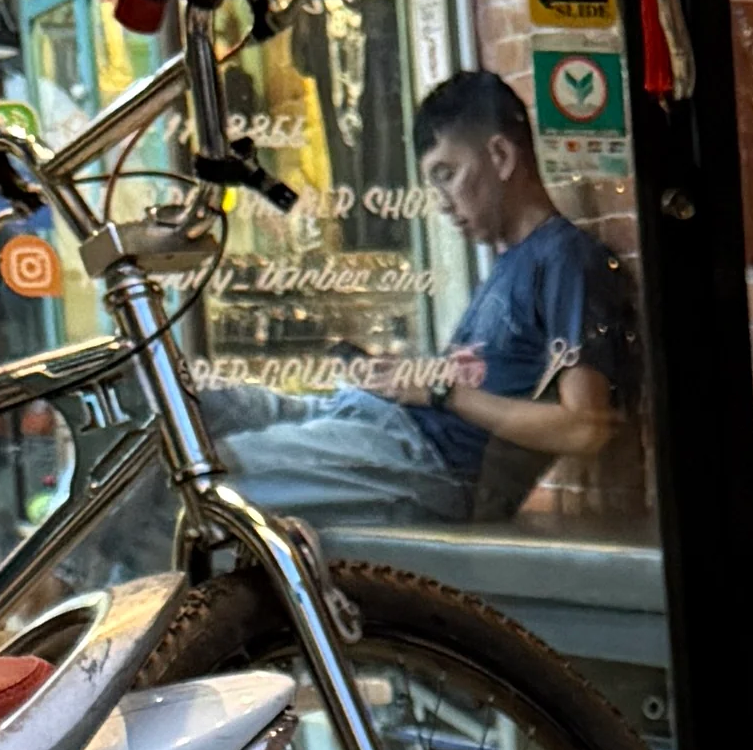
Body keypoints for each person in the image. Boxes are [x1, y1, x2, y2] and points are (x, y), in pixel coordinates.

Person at [199, 65, 635, 528]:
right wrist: (411, 378)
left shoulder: (566, 259)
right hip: (374, 421)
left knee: (193, 478)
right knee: (184, 406)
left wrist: (440, 391)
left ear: (502, 156)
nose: (443, 202)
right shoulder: (511, 264)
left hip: (421, 461)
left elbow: (587, 427)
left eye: (447, 174)